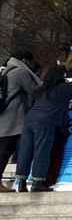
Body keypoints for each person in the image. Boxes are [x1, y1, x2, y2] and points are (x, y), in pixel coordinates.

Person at [12, 66, 72, 192]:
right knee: (42, 151)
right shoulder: (63, 88)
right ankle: (37, 183)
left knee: (25, 151)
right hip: (45, 122)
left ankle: (21, 183)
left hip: (30, 120)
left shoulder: (41, 89)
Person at [0, 50, 41, 188]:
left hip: (4, 119)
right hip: (15, 121)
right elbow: (35, 90)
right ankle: (21, 183)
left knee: (4, 152)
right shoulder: (21, 73)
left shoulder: (5, 71)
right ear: (24, 60)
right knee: (20, 152)